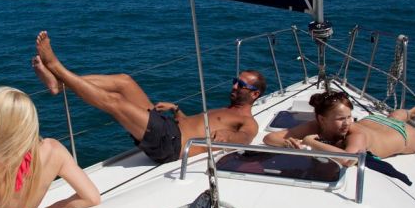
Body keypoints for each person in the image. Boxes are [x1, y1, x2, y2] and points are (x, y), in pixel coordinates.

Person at [32, 30, 266, 164]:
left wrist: (230, 138)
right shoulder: (226, 109)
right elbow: (193, 126)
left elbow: (246, 138)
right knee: (124, 81)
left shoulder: (248, 122)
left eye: (242, 85)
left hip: (170, 146)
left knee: (116, 102)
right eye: (235, 81)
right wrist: (177, 110)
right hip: (169, 128)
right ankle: (59, 86)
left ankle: (56, 67)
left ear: (255, 94)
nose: (235, 86)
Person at [263, 90, 415, 166]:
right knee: (392, 117)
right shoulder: (314, 124)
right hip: (376, 121)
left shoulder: (356, 132)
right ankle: (409, 112)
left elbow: (349, 159)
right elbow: (269, 139)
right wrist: (287, 141)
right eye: (340, 119)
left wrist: (309, 141)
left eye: (349, 117)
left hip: (401, 135)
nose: (346, 123)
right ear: (321, 119)